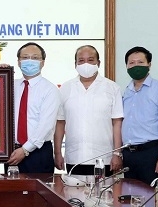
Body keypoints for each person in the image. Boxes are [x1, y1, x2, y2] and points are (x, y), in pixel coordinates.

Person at [54, 45, 123, 176]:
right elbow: (60, 123)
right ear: (75, 64)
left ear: (99, 63)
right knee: (73, 195)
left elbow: (117, 123)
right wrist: (57, 153)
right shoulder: (65, 88)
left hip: (104, 158)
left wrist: (117, 153)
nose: (86, 64)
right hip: (74, 157)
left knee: (104, 195)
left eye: (91, 60)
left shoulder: (112, 88)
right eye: (81, 60)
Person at [121, 46, 158, 185]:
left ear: (149, 65)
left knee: (153, 200)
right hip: (129, 155)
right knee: (130, 200)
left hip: (152, 153)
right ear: (127, 66)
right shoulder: (126, 92)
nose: (136, 66)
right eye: (131, 63)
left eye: (140, 62)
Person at [7, 42, 60, 174]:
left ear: (43, 63)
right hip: (12, 152)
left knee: (38, 194)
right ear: (18, 62)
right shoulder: (10, 85)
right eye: (25, 57)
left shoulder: (50, 90)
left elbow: (45, 126)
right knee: (11, 192)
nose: (30, 61)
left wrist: (25, 150)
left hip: (38, 152)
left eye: (35, 58)